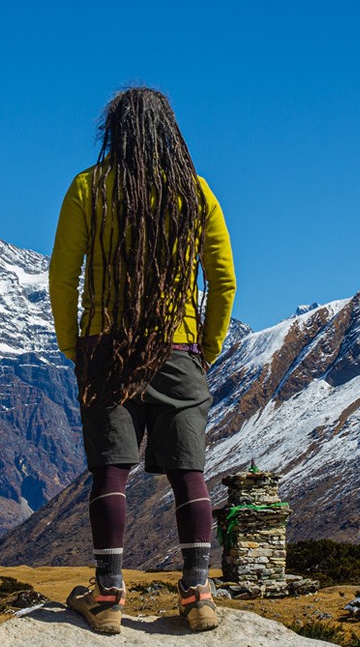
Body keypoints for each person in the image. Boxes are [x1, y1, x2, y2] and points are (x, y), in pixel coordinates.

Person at [49, 86, 236, 634]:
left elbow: (64, 278)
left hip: (108, 346)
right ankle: (198, 593)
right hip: (180, 348)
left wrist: (74, 342)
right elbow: (222, 281)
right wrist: (207, 345)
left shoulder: (89, 188)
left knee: (110, 469)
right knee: (189, 472)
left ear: (115, 131)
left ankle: (107, 597)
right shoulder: (196, 193)